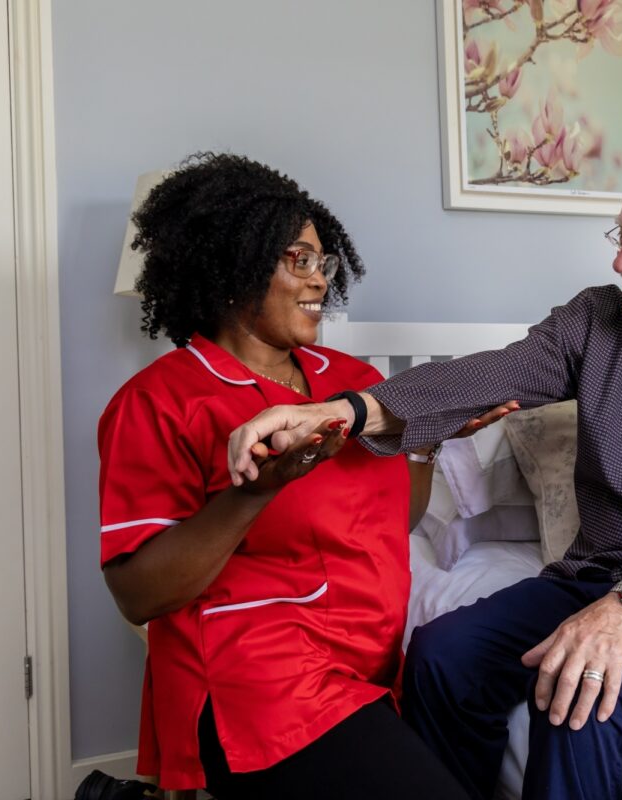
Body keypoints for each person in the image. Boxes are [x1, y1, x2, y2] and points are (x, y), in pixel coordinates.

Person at [226, 148, 622, 800]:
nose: (621, 261)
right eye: (620, 238)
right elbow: (491, 374)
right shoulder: (594, 321)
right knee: (439, 656)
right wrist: (346, 411)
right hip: (598, 575)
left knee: (579, 692)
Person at [98, 153, 501, 799]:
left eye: (323, 262)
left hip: (366, 664)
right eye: (298, 261)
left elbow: (388, 522)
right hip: (260, 678)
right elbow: (137, 595)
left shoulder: (355, 385)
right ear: (234, 268)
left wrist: (424, 441)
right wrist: (255, 492)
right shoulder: (159, 401)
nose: (319, 281)